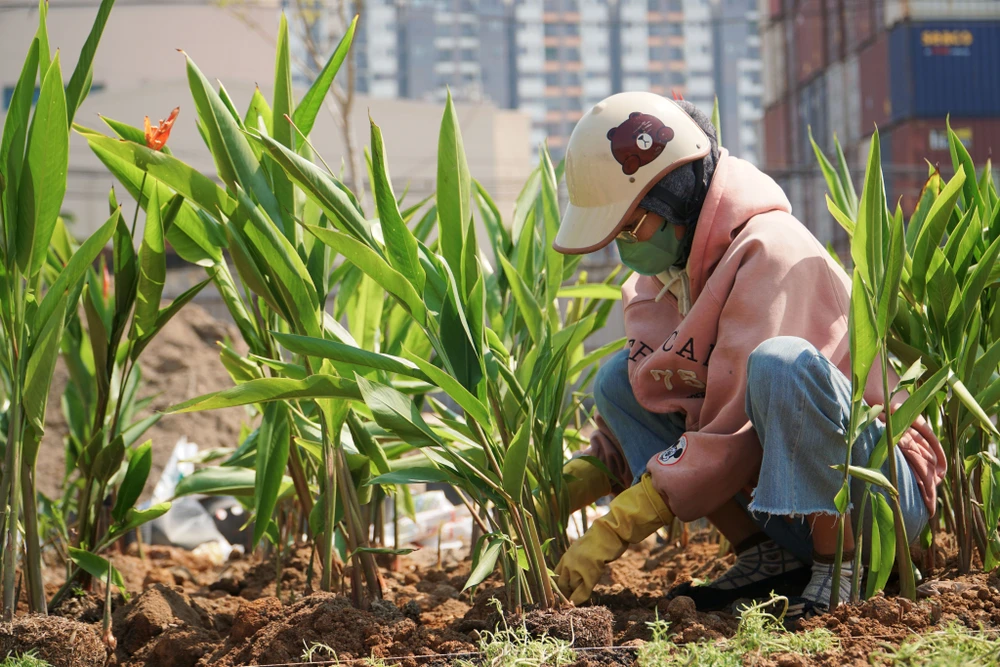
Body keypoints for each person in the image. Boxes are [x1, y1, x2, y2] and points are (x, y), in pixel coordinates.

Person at [550, 92, 946, 622]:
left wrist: (620, 523)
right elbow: (663, 403)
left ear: (674, 195)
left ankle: (841, 568)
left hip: (875, 492)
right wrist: (582, 478)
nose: (624, 246)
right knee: (618, 381)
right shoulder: (667, 280)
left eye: (631, 225)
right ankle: (769, 555)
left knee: (780, 365)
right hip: (787, 506)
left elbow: (734, 431)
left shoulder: (769, 251)